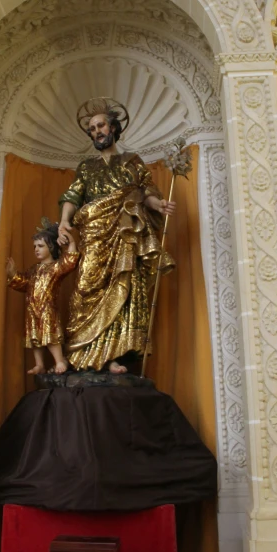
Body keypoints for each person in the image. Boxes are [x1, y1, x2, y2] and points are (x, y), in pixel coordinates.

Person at [58, 97, 175, 374]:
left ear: (113, 128)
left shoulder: (132, 162)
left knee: (123, 288)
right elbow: (73, 195)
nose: (97, 131)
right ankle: (81, 354)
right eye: (92, 129)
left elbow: (145, 191)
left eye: (101, 126)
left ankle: (112, 358)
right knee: (87, 288)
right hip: (95, 233)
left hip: (124, 233)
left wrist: (158, 204)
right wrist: (64, 221)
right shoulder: (86, 167)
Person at [6, 219, 79, 374]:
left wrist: (71, 240)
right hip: (32, 309)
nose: (36, 250)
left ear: (51, 247)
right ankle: (39, 364)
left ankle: (59, 361)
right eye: (34, 247)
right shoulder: (33, 269)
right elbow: (23, 283)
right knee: (35, 338)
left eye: (40, 246)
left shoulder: (56, 267)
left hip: (48, 308)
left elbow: (70, 260)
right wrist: (13, 274)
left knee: (50, 335)